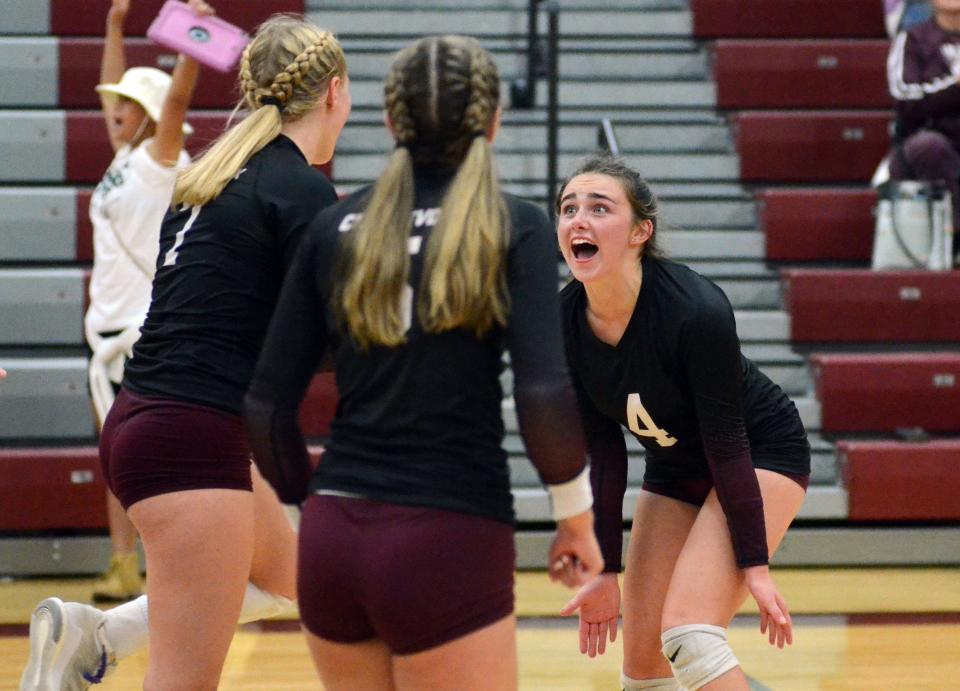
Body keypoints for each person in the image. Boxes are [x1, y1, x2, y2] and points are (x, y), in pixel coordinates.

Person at [243, 34, 604, 691]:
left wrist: (310, 507)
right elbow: (544, 393)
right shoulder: (515, 223)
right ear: (493, 122)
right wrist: (575, 517)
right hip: (448, 534)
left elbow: (265, 406)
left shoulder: (335, 225)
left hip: (332, 542)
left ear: (389, 121)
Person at [20, 15, 350, 691]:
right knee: (184, 681)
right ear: (336, 92)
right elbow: (328, 344)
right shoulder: (302, 190)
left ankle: (101, 635)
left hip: (148, 418)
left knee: (300, 578)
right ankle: (102, 638)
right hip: (190, 438)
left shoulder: (209, 176)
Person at [554, 154, 811, 691]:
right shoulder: (563, 321)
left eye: (599, 208)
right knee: (644, 668)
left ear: (639, 231)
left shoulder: (695, 309)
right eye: (568, 208)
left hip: (760, 453)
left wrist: (755, 567)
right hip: (674, 468)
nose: (578, 219)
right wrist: (604, 571)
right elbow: (601, 452)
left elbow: (727, 440)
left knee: (691, 635)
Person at [85, 0, 208, 605]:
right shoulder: (124, 161)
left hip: (138, 335)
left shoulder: (161, 164)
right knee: (115, 461)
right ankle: (124, 564)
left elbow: (179, 103)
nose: (116, 112)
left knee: (137, 461)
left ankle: (172, 562)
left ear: (151, 116)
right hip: (108, 337)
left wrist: (190, 41)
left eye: (129, 106)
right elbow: (114, 91)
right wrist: (114, 25)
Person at [887, 0, 960, 264]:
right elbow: (906, 101)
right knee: (930, 147)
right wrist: (955, 87)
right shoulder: (913, 40)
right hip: (923, 144)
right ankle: (954, 241)